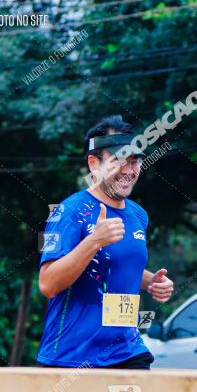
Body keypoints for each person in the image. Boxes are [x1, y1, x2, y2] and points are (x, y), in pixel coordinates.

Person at [37, 115, 174, 369]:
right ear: (93, 163)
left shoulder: (137, 215)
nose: (128, 170)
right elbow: (47, 284)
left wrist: (150, 281)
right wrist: (93, 242)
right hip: (73, 356)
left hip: (127, 349)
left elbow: (115, 264)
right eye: (118, 161)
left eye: (134, 161)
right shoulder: (69, 211)